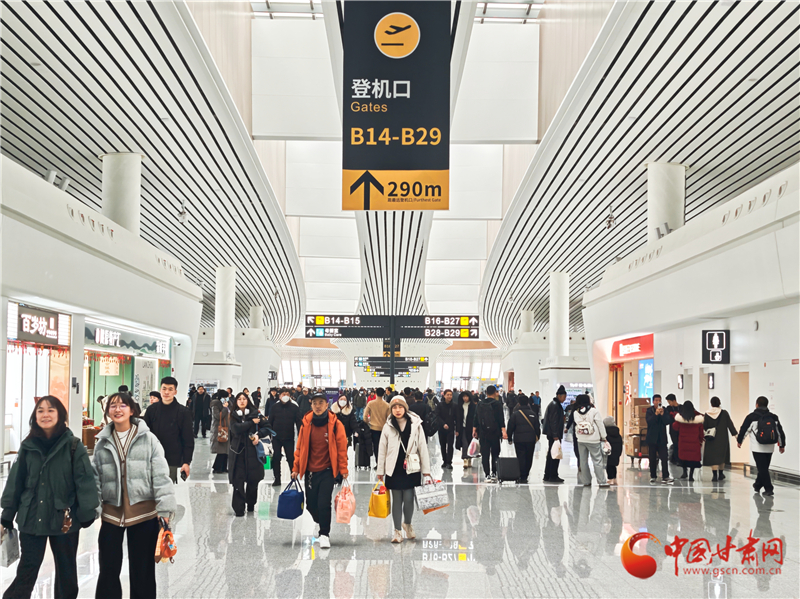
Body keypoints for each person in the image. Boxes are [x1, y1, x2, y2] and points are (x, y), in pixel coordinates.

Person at [1, 396, 99, 599]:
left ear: (60, 415)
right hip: (31, 516)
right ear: (35, 416)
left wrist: (87, 512)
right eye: (40, 411)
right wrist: (7, 514)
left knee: (66, 571)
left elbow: (85, 481)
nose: (45, 414)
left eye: (51, 410)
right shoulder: (27, 446)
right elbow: (15, 482)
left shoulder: (73, 446)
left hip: (64, 519)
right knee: (27, 569)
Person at [93, 393, 176, 599]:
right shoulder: (102, 442)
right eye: (113, 406)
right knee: (108, 569)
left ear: (132, 410)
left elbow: (161, 476)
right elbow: (96, 480)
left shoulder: (148, 439)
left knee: (142, 571)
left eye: (123, 405)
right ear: (107, 411)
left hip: (143, 515)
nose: (117, 409)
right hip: (111, 515)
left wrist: (165, 509)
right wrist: (93, 509)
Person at [291, 393, 349, 549]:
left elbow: (342, 448)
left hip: (327, 470)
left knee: (324, 503)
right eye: (315, 403)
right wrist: (296, 467)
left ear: (326, 405)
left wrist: (343, 468)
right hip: (310, 471)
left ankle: (324, 534)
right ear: (311, 405)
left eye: (321, 403)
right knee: (311, 505)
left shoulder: (336, 424)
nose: (318, 406)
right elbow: (300, 447)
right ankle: (321, 520)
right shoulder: (306, 424)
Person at [376, 396, 432, 544]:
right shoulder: (388, 426)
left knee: (408, 499)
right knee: (396, 500)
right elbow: (382, 449)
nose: (397, 410)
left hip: (411, 466)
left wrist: (426, 471)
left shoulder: (416, 424)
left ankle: (407, 523)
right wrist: (380, 470)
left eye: (400, 407)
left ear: (405, 408)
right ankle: (397, 531)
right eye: (394, 407)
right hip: (394, 468)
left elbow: (423, 447)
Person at [143, 376, 194, 483]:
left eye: (170, 389)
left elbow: (188, 439)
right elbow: (144, 435)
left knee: (168, 488)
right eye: (164, 388)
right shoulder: (152, 410)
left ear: (175, 392)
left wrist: (186, 462)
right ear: (160, 390)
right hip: (152, 458)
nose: (166, 392)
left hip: (173, 459)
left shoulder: (183, 412)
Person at [736, 396, 786, 496]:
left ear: (757, 405)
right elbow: (779, 432)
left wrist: (740, 440)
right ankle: (757, 485)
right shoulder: (773, 417)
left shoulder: (751, 417)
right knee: (763, 468)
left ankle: (769, 488)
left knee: (762, 469)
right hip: (770, 447)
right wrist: (782, 445)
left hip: (757, 447)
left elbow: (744, 430)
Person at [228, 393, 267, 516]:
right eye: (239, 399)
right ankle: (239, 509)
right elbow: (236, 429)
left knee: (253, 481)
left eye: (244, 399)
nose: (242, 401)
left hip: (253, 454)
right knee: (238, 482)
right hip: (237, 454)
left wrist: (258, 435)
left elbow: (267, 427)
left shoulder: (256, 414)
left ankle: (251, 504)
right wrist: (251, 423)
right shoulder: (233, 415)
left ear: (248, 401)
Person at [569, 394, 609, 487]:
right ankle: (601, 481)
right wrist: (604, 437)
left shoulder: (576, 412)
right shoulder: (594, 411)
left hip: (581, 439)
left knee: (583, 461)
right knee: (597, 460)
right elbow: (600, 424)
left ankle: (586, 481)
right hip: (593, 439)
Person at [267, 389, 302, 487]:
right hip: (276, 437)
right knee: (276, 458)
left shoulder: (294, 408)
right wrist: (269, 434)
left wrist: (301, 435)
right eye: (283, 394)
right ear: (280, 396)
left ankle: (293, 478)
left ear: (290, 396)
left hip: (289, 437)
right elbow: (270, 421)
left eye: (287, 394)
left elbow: (298, 422)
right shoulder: (275, 407)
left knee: (291, 458)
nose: (285, 395)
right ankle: (277, 478)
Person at [472, 385, 506, 483]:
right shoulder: (497, 404)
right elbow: (501, 419)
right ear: (495, 393)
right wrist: (504, 431)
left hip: (483, 432)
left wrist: (474, 430)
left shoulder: (480, 404)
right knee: (495, 453)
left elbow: (476, 417)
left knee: (485, 454)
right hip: (495, 432)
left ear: (486, 393)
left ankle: (487, 474)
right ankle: (494, 473)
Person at [506, 394, 540, 483]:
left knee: (521, 457)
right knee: (529, 457)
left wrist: (509, 438)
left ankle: (521, 475)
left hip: (519, 439)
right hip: (530, 440)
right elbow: (537, 427)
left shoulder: (515, 414)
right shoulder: (533, 414)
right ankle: (525, 475)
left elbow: (510, 427)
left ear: (519, 403)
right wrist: (537, 437)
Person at [703, 396, 738, 481]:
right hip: (722, 437)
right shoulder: (724, 413)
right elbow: (730, 424)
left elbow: (704, 426)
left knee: (713, 457)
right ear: (719, 403)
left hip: (711, 438)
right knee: (722, 456)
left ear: (711, 404)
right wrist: (736, 436)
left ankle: (714, 475)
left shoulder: (707, 414)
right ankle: (721, 474)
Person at [671, 401, 705, 481]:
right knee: (693, 459)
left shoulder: (681, 419)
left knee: (684, 458)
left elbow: (675, 427)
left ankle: (684, 472)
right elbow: (701, 433)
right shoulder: (697, 420)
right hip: (694, 442)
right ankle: (691, 475)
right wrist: (700, 441)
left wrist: (676, 417)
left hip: (683, 442)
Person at [645, 394, 674, 484]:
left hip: (662, 438)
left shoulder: (664, 410)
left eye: (659, 400)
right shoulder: (649, 411)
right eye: (656, 400)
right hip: (652, 438)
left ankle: (665, 476)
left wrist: (662, 415)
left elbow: (667, 421)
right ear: (653, 402)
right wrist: (656, 414)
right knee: (652, 458)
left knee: (664, 458)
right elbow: (649, 421)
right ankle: (653, 476)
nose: (658, 402)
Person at [542, 386, 567, 483]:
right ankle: (553, 475)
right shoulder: (555, 405)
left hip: (552, 434)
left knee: (551, 454)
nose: (565, 399)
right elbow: (553, 421)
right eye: (564, 397)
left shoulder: (555, 404)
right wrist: (555, 435)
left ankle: (548, 475)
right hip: (554, 435)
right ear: (559, 396)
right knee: (555, 455)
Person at [364, 387, 391, 463]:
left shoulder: (371, 403)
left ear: (376, 394)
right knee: (384, 446)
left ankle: (378, 462)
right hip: (384, 429)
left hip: (373, 428)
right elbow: (389, 418)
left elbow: (365, 416)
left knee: (376, 447)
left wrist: (367, 422)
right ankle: (383, 462)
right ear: (384, 394)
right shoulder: (387, 405)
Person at [435, 389, 457, 469]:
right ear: (444, 395)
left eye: (450, 395)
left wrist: (457, 429)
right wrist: (443, 424)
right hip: (441, 428)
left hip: (451, 428)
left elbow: (457, 417)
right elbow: (437, 416)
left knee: (450, 445)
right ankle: (444, 461)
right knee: (443, 445)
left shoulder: (454, 406)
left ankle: (449, 462)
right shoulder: (440, 405)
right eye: (447, 395)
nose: (449, 396)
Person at [455, 391, 477, 468]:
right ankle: (465, 458)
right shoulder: (459, 406)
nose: (465, 398)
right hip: (462, 428)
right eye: (463, 397)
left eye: (466, 396)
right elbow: (457, 419)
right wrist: (457, 429)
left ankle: (469, 458)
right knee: (465, 443)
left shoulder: (473, 406)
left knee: (471, 443)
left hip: (471, 428)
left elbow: (476, 418)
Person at [210, 390, 230, 474]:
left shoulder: (225, 403)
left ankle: (223, 467)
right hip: (220, 429)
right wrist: (225, 408)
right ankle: (217, 467)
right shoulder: (215, 404)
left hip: (226, 428)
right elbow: (218, 416)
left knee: (226, 450)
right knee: (221, 450)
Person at [603, 416, 623, 485]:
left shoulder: (605, 434)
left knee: (609, 466)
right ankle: (614, 478)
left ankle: (610, 478)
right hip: (616, 453)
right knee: (614, 466)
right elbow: (620, 444)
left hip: (608, 452)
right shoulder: (617, 433)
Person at [664, 394, 681, 464]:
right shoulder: (668, 408)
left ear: (674, 400)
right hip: (672, 430)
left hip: (681, 429)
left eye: (669, 402)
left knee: (680, 444)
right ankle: (676, 459)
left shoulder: (681, 408)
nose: (669, 404)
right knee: (675, 444)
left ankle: (680, 459)